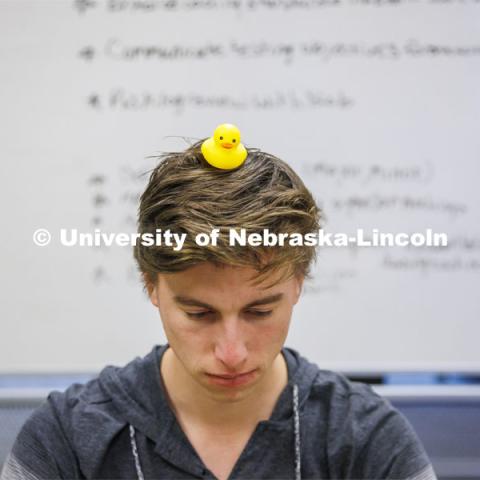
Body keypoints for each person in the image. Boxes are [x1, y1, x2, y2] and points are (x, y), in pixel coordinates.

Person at [1, 133, 437, 480]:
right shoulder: (67, 441)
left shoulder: (368, 440)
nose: (232, 353)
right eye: (199, 314)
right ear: (151, 284)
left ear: (299, 284)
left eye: (260, 312)